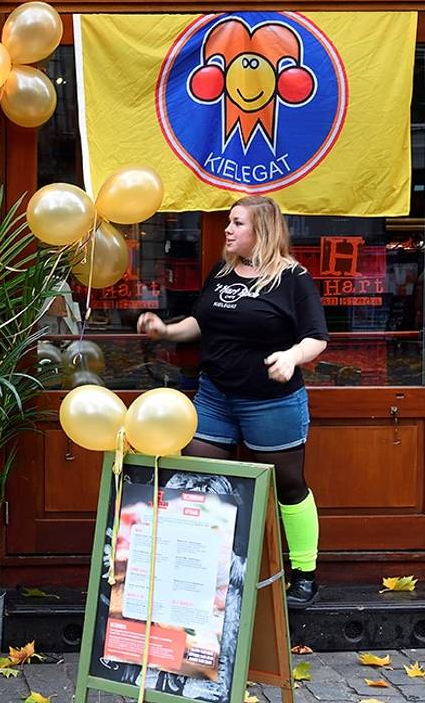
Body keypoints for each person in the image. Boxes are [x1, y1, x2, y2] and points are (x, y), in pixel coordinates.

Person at [136, 195, 329, 610]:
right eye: (229, 222)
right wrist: (165, 331)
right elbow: (202, 322)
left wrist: (292, 356)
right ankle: (205, 574)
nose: (228, 229)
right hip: (215, 397)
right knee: (199, 481)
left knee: (289, 484)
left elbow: (317, 336)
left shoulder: (292, 278)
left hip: (271, 402)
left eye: (237, 223)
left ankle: (305, 575)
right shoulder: (223, 273)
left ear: (262, 229)